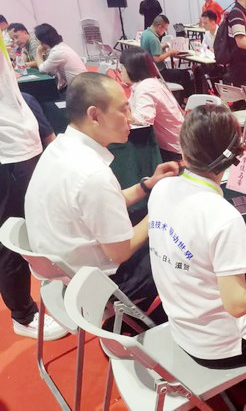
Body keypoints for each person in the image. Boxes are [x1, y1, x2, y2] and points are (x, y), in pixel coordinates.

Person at [148, 104, 246, 411]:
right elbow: (237, 304)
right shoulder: (222, 215)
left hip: (179, 325)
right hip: (216, 347)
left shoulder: (163, 188)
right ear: (234, 154)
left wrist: (234, 245)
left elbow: (185, 243)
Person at [24, 72, 179, 319]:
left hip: (66, 271)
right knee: (180, 244)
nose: (131, 118)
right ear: (95, 115)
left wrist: (147, 185)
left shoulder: (59, 148)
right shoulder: (93, 174)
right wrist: (160, 212)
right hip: (100, 283)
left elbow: (104, 204)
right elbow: (121, 252)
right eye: (124, 110)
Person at [0, 33, 66, 340]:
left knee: (30, 226)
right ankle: (24, 315)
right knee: (12, 239)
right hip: (8, 152)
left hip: (18, 143)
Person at [120, 46, 184, 163]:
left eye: (121, 68)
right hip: (173, 142)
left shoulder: (146, 87)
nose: (120, 72)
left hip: (172, 149)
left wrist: (120, 116)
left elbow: (143, 120)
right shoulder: (147, 82)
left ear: (131, 69)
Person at [140, 15, 193, 100]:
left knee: (179, 73)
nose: (165, 31)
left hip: (148, 70)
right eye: (165, 29)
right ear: (159, 27)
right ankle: (184, 98)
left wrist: (162, 46)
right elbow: (157, 58)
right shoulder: (153, 38)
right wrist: (170, 52)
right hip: (158, 71)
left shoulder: (145, 33)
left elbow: (151, 49)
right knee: (185, 74)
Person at [34, 23, 87, 91]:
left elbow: (43, 69)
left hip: (79, 89)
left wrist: (38, 53)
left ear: (43, 41)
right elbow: (51, 70)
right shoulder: (60, 47)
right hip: (78, 85)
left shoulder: (58, 52)